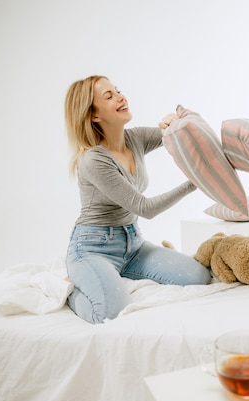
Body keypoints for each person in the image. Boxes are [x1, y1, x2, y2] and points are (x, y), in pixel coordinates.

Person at [64, 75, 211, 324]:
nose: (121, 97)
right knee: (109, 313)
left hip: (133, 244)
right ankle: (72, 290)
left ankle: (114, 275)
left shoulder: (135, 139)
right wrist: (195, 182)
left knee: (199, 277)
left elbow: (184, 135)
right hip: (93, 248)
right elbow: (145, 208)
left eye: (117, 90)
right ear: (94, 116)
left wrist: (175, 122)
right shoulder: (94, 161)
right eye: (108, 96)